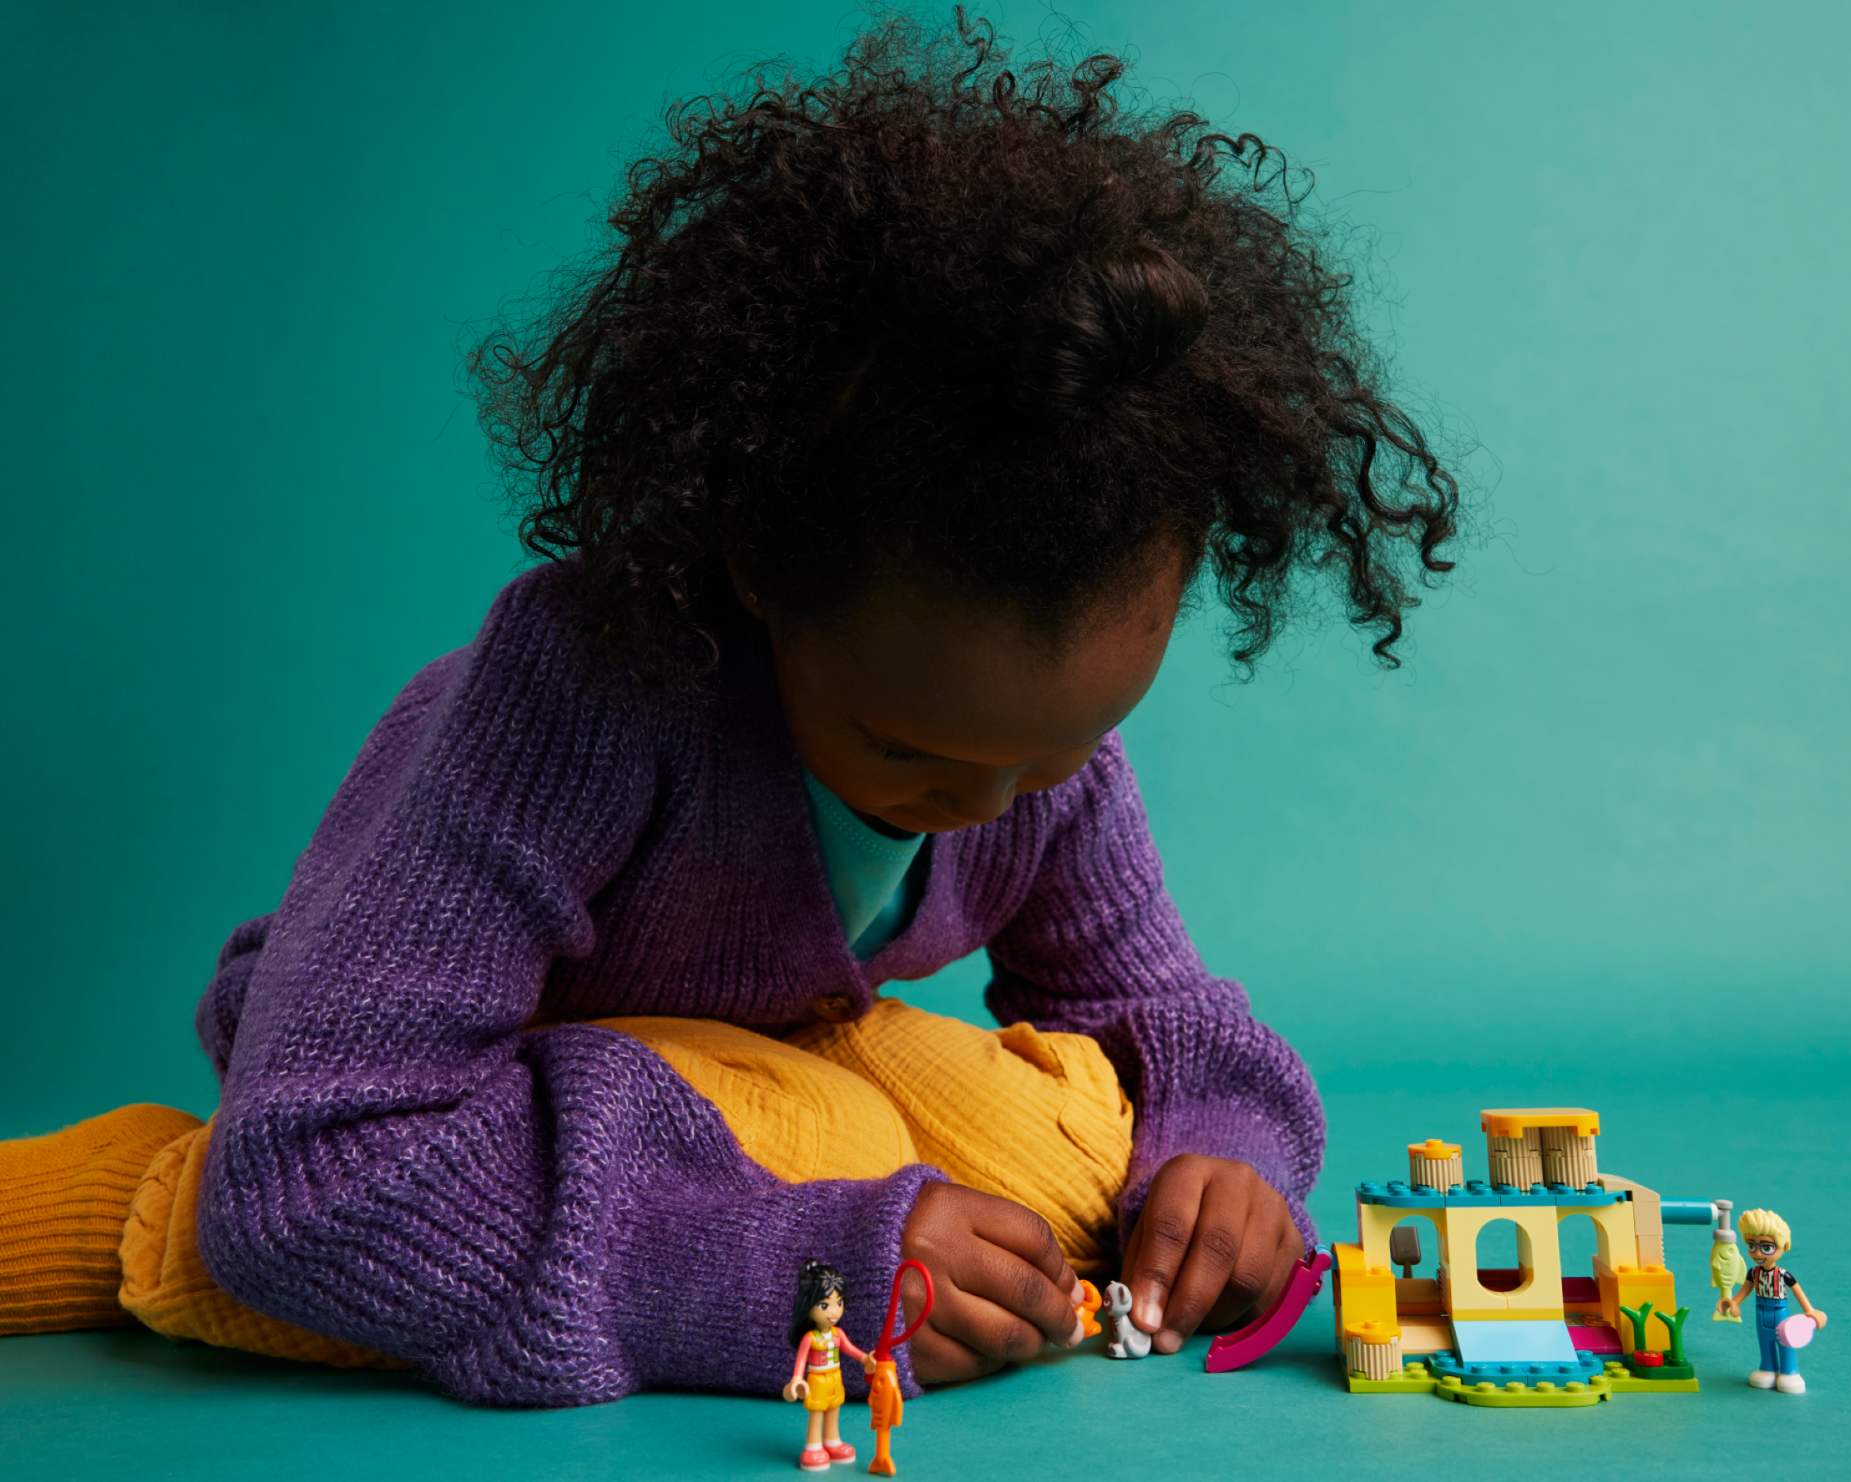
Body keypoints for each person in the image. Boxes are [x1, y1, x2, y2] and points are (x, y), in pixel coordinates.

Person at [0, 11, 1456, 1405]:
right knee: (800, 1142)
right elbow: (317, 1170)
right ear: (761, 565)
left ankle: (824, 1184)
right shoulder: (585, 692)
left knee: (1057, 1161)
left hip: (764, 1061)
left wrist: (1224, 1157)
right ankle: (146, 1200)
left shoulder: (1029, 763)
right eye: (906, 747)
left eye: (1054, 752)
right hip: (418, 1089)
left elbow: (1152, 1009)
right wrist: (787, 1279)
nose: (984, 804)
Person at [1716, 1208, 1826, 1393]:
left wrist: (1809, 1311)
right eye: (1752, 1246)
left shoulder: (1783, 1275)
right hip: (1761, 1311)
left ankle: (1790, 1372)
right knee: (1765, 1341)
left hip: (1780, 1312)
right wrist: (1733, 1303)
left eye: (1766, 1247)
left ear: (1784, 1246)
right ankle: (1768, 1369)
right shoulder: (1753, 1273)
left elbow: (1798, 1292)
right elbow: (1744, 1290)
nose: (1758, 1253)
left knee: (1785, 1341)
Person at [782, 1261, 877, 1472]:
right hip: (816, 1380)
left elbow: (851, 1350)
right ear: (808, 1306)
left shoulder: (837, 1334)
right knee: (817, 1412)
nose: (834, 1311)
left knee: (834, 1408)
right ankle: (813, 1447)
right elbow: (800, 1363)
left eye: (839, 1303)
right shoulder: (810, 1338)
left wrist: (866, 1360)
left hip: (835, 1377)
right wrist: (797, 1380)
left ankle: (832, 1441)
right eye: (824, 1305)